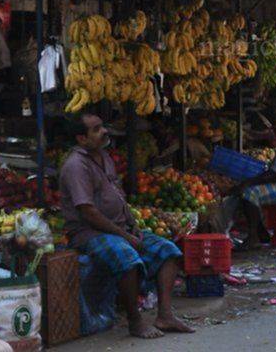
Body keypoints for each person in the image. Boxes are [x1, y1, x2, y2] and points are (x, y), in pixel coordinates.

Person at [59, 113, 193, 339]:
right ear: (82, 139)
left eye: (103, 126)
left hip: (120, 229)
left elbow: (118, 196)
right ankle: (135, 321)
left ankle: (165, 315)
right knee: (127, 257)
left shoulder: (104, 157)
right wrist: (124, 235)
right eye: (96, 129)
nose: (104, 132)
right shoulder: (76, 165)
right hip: (90, 233)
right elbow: (87, 211)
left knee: (168, 251)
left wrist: (132, 226)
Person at [219, 110, 276, 250]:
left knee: (249, 193)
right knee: (248, 191)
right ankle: (261, 233)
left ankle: (254, 237)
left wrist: (247, 183)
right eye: (275, 123)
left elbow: (275, 174)